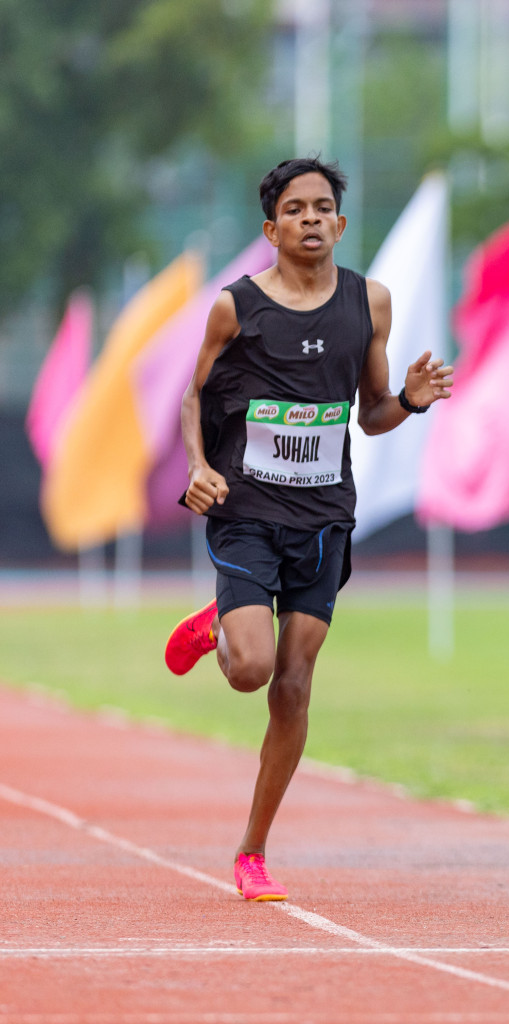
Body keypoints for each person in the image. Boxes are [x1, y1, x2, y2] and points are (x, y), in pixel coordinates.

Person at [163, 157, 453, 902]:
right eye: (296, 209)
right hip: (248, 512)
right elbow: (192, 399)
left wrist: (412, 401)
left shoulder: (370, 303)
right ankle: (225, 628)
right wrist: (197, 465)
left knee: (292, 688)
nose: (313, 219)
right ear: (272, 229)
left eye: (324, 207)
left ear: (342, 223)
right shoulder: (236, 307)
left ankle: (253, 851)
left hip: (324, 519)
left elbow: (373, 414)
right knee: (253, 668)